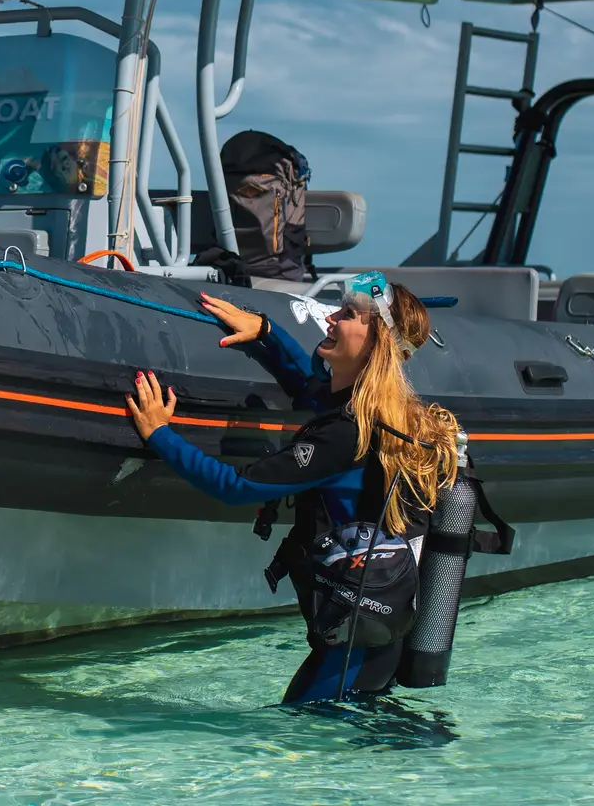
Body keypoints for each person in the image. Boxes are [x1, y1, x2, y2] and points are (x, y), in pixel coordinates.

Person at [123, 273, 461, 704]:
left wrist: (159, 435)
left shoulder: (345, 435)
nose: (330, 320)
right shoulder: (382, 415)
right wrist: (266, 333)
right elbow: (310, 388)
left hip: (352, 647)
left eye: (348, 315)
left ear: (376, 345)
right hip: (372, 633)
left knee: (304, 741)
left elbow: (236, 486)